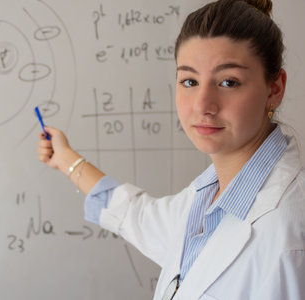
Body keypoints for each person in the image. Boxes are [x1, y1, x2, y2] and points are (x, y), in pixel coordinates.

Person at [37, 0, 305, 299]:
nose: (203, 105)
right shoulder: (210, 196)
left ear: (275, 89)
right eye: (189, 81)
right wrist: (65, 158)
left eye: (229, 82)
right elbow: (137, 215)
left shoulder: (288, 238)